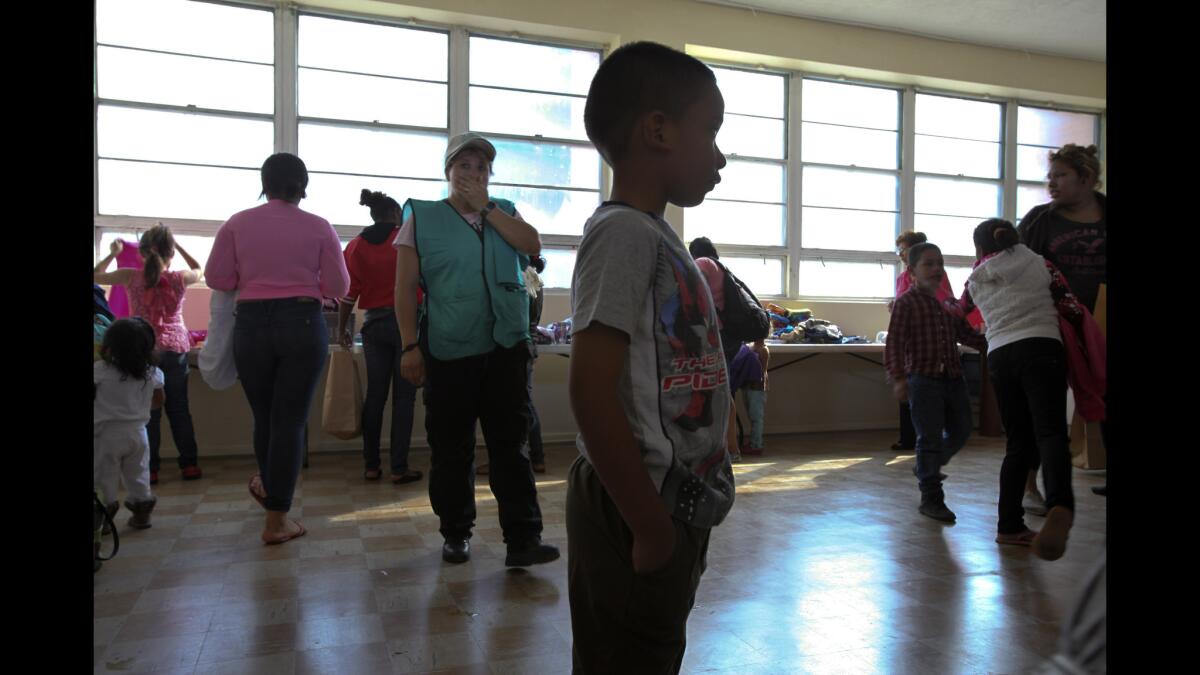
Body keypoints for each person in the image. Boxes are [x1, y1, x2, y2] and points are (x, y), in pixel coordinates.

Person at [568, 41, 734, 673]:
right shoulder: (622, 233)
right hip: (632, 505)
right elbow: (590, 391)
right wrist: (649, 524)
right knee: (629, 655)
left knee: (654, 649)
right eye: (711, 132)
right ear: (658, 131)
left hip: (667, 502)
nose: (720, 154)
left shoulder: (659, 236)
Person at [393, 132, 558, 567]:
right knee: (452, 447)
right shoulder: (422, 218)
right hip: (450, 348)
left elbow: (532, 245)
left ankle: (523, 539)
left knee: (512, 445)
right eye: (463, 165)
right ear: (448, 172)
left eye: (481, 167)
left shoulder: (504, 212)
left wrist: (486, 207)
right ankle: (456, 532)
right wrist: (410, 346)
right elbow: (405, 288)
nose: (472, 173)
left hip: (506, 347)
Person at [205, 153, 350, 545]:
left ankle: (272, 496)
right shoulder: (319, 227)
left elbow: (217, 278)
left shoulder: (237, 224)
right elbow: (338, 288)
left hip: (250, 324)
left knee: (265, 418)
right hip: (302, 322)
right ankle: (276, 520)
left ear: (264, 184)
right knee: (290, 420)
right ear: (303, 186)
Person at [962, 219, 1083, 560]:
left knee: (1018, 443)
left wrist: (988, 334)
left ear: (980, 249)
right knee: (1051, 434)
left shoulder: (976, 277)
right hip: (1042, 348)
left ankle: (1009, 526)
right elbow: (1069, 306)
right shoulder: (1039, 263)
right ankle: (1060, 505)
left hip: (1001, 354)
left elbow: (959, 313)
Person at [1018, 143, 1107, 497]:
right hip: (1052, 323)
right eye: (1049, 176)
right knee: (1045, 406)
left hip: (1102, 321)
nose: (1051, 183)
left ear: (1085, 179)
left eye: (1060, 175)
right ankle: (1029, 485)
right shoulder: (1041, 219)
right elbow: (1015, 265)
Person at [885, 242, 988, 523]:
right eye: (928, 264)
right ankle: (932, 497)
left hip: (953, 378)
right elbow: (894, 343)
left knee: (963, 428)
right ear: (912, 271)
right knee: (928, 438)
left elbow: (966, 334)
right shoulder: (906, 303)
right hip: (923, 379)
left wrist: (993, 344)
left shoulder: (948, 303)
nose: (936, 269)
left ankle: (926, 466)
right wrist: (898, 378)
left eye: (939, 263)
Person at [94, 224, 204, 485]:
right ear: (170, 253)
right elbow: (200, 269)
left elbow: (96, 276)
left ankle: (150, 468)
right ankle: (189, 465)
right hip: (176, 348)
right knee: (179, 409)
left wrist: (113, 253)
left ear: (141, 252)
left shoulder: (129, 276)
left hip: (143, 349)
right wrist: (180, 247)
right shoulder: (180, 278)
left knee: (148, 411)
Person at [337, 189, 422, 484]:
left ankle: (371, 465)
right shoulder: (406, 240)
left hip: (373, 327)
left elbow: (349, 295)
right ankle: (399, 467)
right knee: (405, 399)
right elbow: (422, 285)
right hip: (407, 326)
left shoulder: (356, 246)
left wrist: (341, 330)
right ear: (398, 215)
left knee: (376, 396)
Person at [689, 236, 769, 460]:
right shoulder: (721, 269)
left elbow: (690, 289)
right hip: (732, 338)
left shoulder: (703, 263)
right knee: (719, 390)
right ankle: (728, 447)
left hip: (720, 336)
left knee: (718, 391)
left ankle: (730, 449)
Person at [479, 255, 549, 476]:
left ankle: (507, 459)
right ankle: (536, 458)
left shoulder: (520, 276)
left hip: (511, 345)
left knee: (506, 406)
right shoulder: (534, 277)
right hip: (526, 345)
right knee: (524, 403)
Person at [94, 317, 163, 530]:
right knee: (139, 473)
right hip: (138, 433)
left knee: (104, 476)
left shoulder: (100, 370)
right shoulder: (152, 373)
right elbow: (159, 402)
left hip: (105, 435)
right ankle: (142, 514)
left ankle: (102, 521)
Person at [888, 230, 953, 452]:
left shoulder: (935, 276)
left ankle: (929, 443)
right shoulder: (901, 278)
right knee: (908, 393)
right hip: (910, 345)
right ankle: (909, 439)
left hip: (932, 344)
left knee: (929, 396)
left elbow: (946, 303)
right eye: (900, 250)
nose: (900, 254)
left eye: (903, 249)